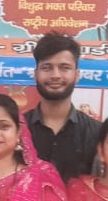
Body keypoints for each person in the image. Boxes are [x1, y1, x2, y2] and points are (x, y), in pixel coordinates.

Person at [23, 32, 100, 183]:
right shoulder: (18, 129)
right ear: (35, 74)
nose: (55, 75)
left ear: (77, 75)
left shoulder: (96, 132)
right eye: (47, 68)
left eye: (64, 68)